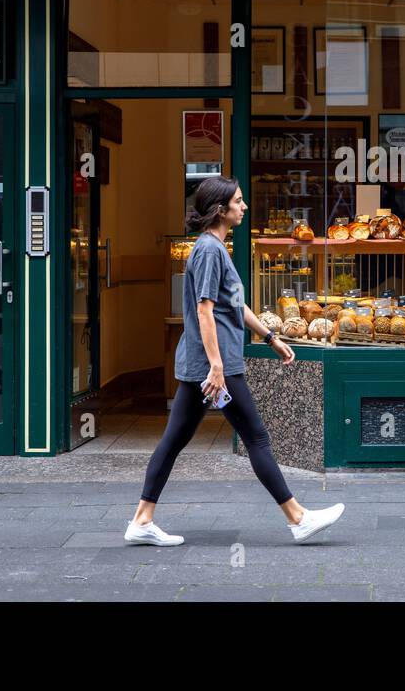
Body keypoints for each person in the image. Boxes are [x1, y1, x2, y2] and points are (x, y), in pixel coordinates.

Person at [126, 175, 345, 545]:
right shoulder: (210, 250)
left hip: (205, 365)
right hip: (216, 367)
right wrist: (216, 367)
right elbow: (205, 310)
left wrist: (271, 337)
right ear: (220, 208)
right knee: (256, 437)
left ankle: (142, 519)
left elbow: (235, 304)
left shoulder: (214, 247)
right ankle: (297, 517)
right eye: (239, 201)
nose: (244, 207)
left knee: (174, 439)